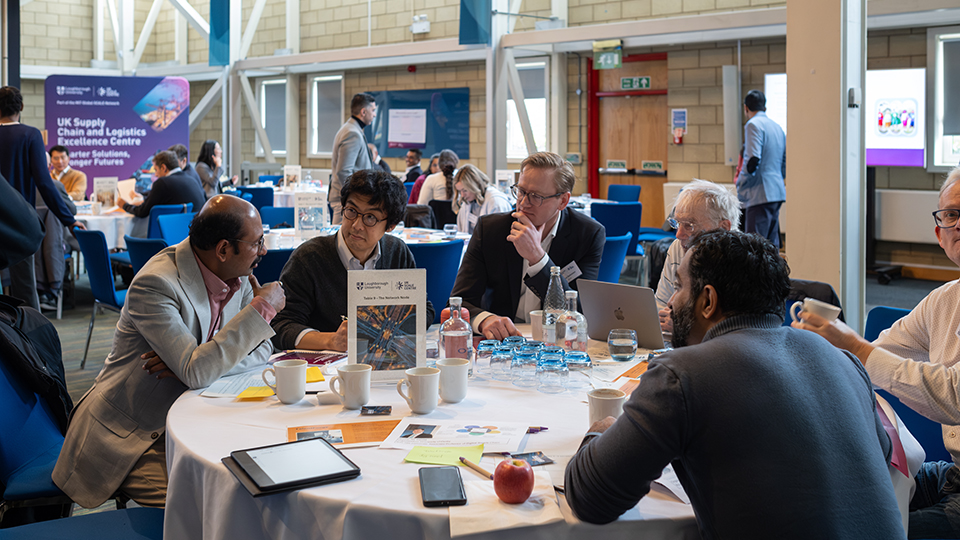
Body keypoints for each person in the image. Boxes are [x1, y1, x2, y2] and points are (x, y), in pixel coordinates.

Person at [565, 229, 904, 539]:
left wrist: (602, 431)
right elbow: (883, 452)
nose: (671, 302)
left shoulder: (680, 374)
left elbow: (591, 500)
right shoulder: (843, 360)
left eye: (680, 287)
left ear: (708, 301)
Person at [53, 195, 285, 508]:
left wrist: (196, 362)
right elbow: (199, 371)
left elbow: (260, 349)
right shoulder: (156, 284)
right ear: (223, 249)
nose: (264, 251)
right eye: (258, 242)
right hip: (134, 432)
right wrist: (261, 308)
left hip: (200, 415)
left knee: (258, 482)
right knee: (206, 504)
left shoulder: (237, 275)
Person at [794, 166, 960, 538]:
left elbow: (953, 396)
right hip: (954, 473)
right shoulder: (945, 299)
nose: (958, 223)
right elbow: (878, 353)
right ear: (939, 233)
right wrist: (805, 358)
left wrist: (855, 346)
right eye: (951, 214)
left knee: (868, 529)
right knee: (836, 496)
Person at [271, 169, 434, 351]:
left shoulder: (397, 252)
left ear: (390, 226)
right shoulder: (309, 258)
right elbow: (280, 325)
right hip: (323, 371)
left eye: (370, 217)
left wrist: (388, 328)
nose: (356, 225)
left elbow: (424, 311)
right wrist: (330, 340)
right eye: (351, 211)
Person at [450, 151, 605, 340]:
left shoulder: (587, 234)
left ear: (563, 201)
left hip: (555, 343)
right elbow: (459, 302)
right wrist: (485, 320)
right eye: (521, 191)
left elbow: (580, 311)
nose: (523, 203)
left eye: (536, 196)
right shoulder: (490, 230)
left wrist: (538, 259)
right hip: (502, 342)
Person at [0, 86, 83, 312]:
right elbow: (45, 184)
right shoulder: (30, 135)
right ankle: (31, 344)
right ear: (22, 107)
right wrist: (69, 220)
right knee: (25, 289)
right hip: (18, 223)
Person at [655, 178, 740, 335]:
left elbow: (736, 335)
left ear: (723, 228)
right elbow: (660, 310)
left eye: (689, 226)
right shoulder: (678, 249)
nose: (679, 235)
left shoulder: (743, 261)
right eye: (677, 223)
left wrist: (686, 329)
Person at [736, 89, 786, 248]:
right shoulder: (777, 127)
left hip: (759, 193)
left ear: (746, 108)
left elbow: (752, 159)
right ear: (765, 106)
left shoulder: (753, 125)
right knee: (772, 246)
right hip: (776, 192)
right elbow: (784, 161)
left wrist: (741, 182)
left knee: (754, 247)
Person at [122, 150, 206, 221]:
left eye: (156, 169)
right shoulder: (191, 179)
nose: (156, 174)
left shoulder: (162, 183)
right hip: (190, 230)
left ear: (163, 167)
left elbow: (142, 212)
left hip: (170, 233)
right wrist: (143, 197)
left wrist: (123, 205)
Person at [331, 93, 376, 225]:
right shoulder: (352, 133)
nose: (374, 115)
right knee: (340, 243)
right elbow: (343, 171)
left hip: (350, 201)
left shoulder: (350, 129)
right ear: (363, 112)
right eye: (373, 111)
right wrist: (356, 198)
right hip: (348, 201)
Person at [452, 164, 511, 234]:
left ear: (475, 186)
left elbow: (499, 235)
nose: (462, 195)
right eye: (459, 191)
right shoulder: (467, 202)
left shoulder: (495, 201)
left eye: (465, 190)